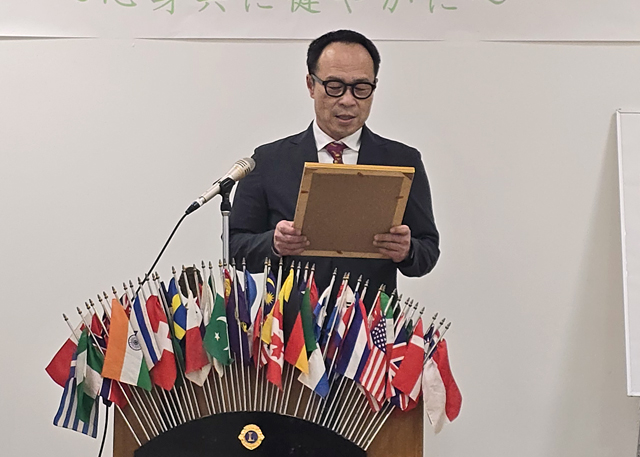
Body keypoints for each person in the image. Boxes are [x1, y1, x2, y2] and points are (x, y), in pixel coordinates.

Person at [229, 29, 439, 305]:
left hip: (369, 321)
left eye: (361, 88)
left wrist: (407, 250)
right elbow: (234, 247)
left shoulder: (402, 160)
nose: (348, 100)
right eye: (335, 87)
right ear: (311, 85)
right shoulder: (268, 161)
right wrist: (274, 243)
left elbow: (427, 251)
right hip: (292, 322)